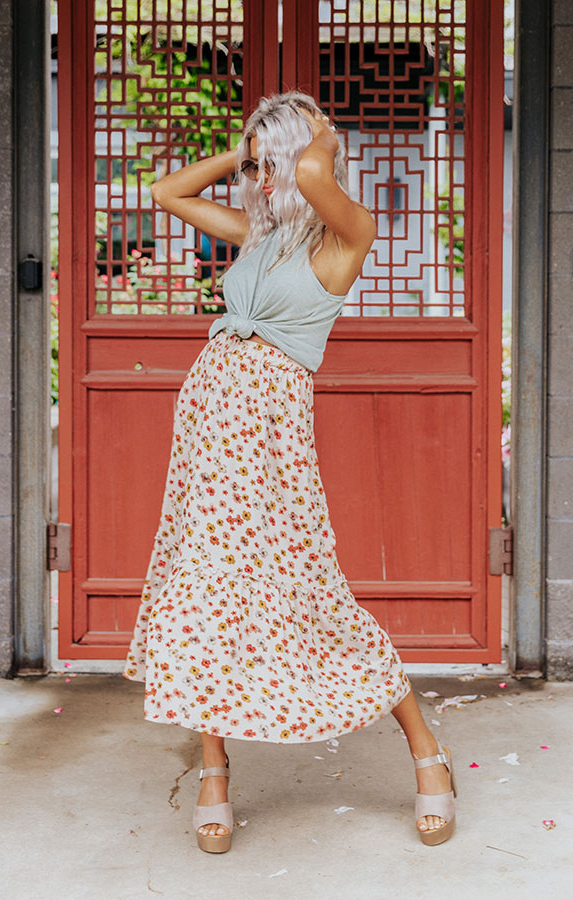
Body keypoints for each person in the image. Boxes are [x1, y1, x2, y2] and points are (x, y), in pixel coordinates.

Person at [122, 90, 457, 853]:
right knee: (203, 592)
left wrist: (316, 145)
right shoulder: (254, 237)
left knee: (312, 594)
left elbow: (312, 179)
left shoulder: (348, 237)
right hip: (209, 431)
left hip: (272, 444)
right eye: (259, 164)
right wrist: (245, 156)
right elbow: (165, 192)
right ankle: (213, 774)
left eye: (272, 162)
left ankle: (426, 752)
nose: (265, 178)